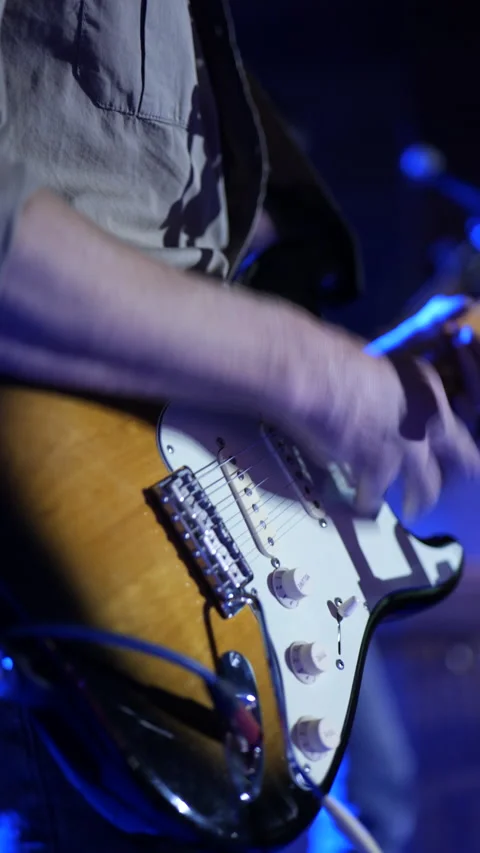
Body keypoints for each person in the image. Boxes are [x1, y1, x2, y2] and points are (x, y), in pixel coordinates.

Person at [0, 2, 479, 851]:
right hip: (71, 568)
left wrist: (351, 383)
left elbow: (161, 262)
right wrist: (311, 371)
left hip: (192, 568)